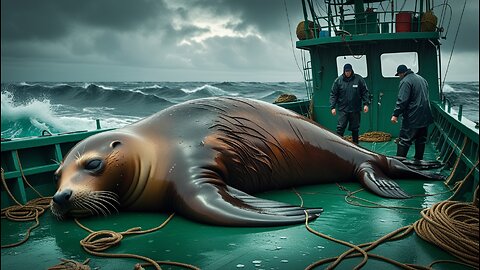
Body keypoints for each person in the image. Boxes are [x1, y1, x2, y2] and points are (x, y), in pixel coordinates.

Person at [391, 64, 433, 160]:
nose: (399, 77)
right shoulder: (422, 79)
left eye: (399, 75)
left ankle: (399, 163)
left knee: (404, 140)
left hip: (412, 116)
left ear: (401, 73)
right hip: (425, 115)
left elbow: (402, 100)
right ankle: (418, 160)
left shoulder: (405, 81)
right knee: (421, 139)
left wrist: (395, 114)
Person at [329, 63, 370, 144]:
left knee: (355, 128)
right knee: (340, 128)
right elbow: (333, 94)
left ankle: (356, 144)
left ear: (351, 71)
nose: (348, 73)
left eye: (349, 71)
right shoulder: (338, 81)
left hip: (355, 109)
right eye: (346, 71)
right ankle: (339, 144)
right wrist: (332, 107)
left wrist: (366, 104)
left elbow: (365, 92)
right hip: (343, 109)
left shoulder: (359, 79)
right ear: (344, 71)